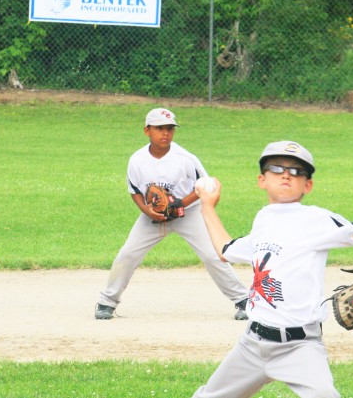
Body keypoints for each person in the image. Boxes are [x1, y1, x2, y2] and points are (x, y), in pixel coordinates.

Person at [192, 140, 353, 398]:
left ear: (308, 185)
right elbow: (226, 250)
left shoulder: (316, 219)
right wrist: (207, 206)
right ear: (262, 180)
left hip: (299, 347)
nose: (286, 174)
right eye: (276, 167)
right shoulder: (263, 219)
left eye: (296, 171)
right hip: (252, 344)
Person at [95, 108, 249, 320]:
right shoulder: (137, 160)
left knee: (213, 255)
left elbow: (205, 186)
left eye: (170, 128)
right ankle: (107, 302)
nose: (165, 133)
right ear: (147, 130)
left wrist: (179, 204)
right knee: (128, 254)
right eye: (160, 128)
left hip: (189, 215)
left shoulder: (185, 158)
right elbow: (135, 192)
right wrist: (146, 210)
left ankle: (244, 301)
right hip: (153, 217)